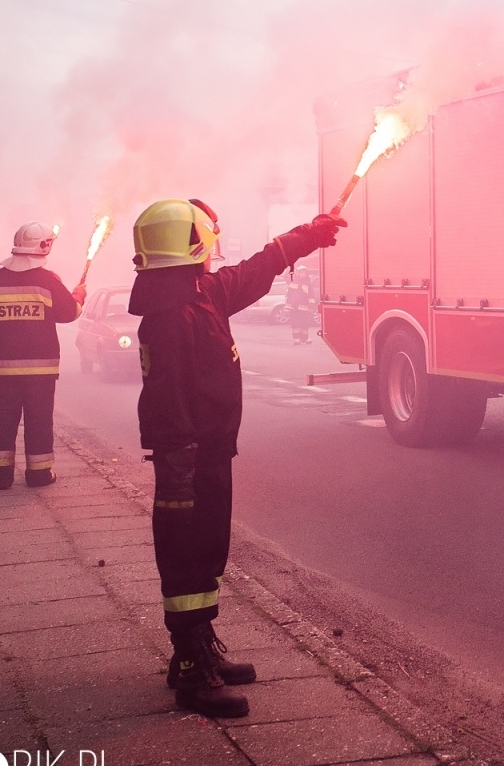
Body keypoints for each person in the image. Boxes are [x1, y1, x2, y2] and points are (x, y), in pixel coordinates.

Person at [130, 198, 344, 718]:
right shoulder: (172, 314)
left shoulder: (195, 294)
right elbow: (167, 397)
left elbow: (258, 267)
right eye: (208, 236)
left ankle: (197, 649)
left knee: (207, 551)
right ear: (191, 243)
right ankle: (193, 672)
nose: (215, 247)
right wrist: (178, 464)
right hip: (190, 455)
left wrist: (309, 235)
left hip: (208, 449)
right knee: (187, 556)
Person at [0, 222, 85, 489]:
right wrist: (78, 297)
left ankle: (0, 476)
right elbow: (68, 313)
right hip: (40, 372)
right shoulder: (48, 280)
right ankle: (38, 474)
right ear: (42, 246)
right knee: (39, 421)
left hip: (2, 371)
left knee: (1, 421)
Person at [285, 273, 314, 345]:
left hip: (305, 308)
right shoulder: (293, 282)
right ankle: (296, 339)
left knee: (305, 324)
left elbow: (311, 295)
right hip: (294, 308)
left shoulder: (308, 284)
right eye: (301, 272)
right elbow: (289, 294)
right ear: (298, 273)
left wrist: (311, 306)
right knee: (295, 324)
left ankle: (305, 339)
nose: (303, 274)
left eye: (304, 272)